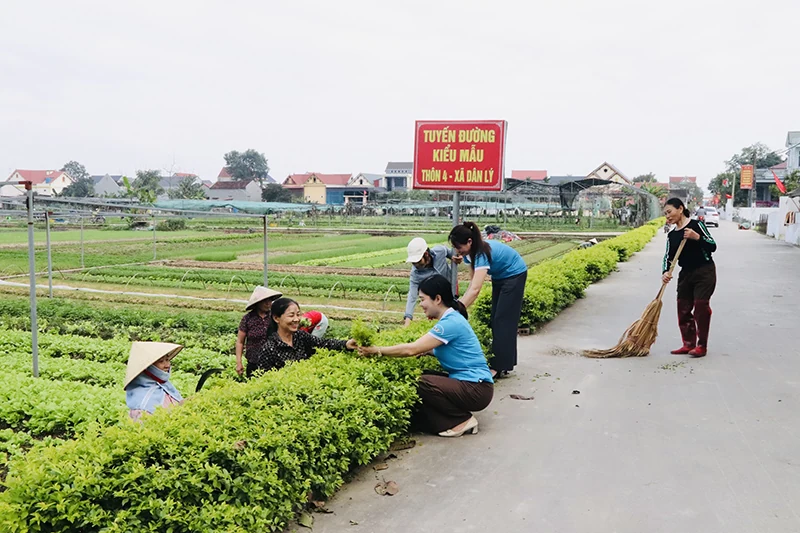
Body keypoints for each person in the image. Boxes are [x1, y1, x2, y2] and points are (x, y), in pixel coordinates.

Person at [358, 275, 493, 437]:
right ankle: (445, 420)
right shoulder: (452, 318)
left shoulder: (449, 323)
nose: (421, 304)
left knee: (422, 383)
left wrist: (375, 350)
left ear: (437, 299)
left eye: (422, 299)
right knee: (423, 376)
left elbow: (411, 349)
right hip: (473, 386)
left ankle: (461, 420)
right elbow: (438, 349)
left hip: (476, 389)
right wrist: (427, 351)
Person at [448, 221, 527, 378]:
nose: (458, 251)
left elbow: (476, 289)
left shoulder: (481, 253)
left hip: (514, 275)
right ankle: (506, 362)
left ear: (469, 242)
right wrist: (458, 304)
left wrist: (457, 308)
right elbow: (472, 283)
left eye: (459, 247)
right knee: (496, 318)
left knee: (503, 320)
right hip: (500, 277)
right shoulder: (469, 255)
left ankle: (499, 366)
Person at [662, 197, 717, 357]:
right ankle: (688, 343)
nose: (668, 217)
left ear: (680, 209)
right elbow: (668, 257)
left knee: (701, 306)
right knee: (683, 308)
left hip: (704, 271)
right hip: (685, 273)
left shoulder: (696, 226)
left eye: (669, 212)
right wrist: (665, 272)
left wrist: (697, 237)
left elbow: (712, 245)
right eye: (665, 214)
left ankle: (702, 346)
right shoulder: (672, 236)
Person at [254, 298, 358, 373]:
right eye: (291, 315)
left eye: (298, 314)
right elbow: (264, 380)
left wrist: (347, 344)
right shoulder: (269, 348)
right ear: (276, 318)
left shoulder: (301, 336)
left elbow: (324, 343)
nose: (296, 319)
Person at [404, 237, 461, 327]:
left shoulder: (440, 251)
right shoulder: (415, 273)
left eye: (418, 261)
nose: (416, 265)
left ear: (426, 254)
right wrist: (408, 319)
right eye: (413, 262)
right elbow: (412, 295)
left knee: (456, 316)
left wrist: (457, 257)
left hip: (451, 288)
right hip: (435, 299)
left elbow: (451, 253)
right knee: (439, 324)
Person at [124, 341, 184, 421]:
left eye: (167, 359)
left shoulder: (165, 386)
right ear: (149, 366)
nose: (167, 365)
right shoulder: (142, 400)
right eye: (161, 361)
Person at [236, 286, 283, 377]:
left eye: (270, 300)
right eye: (265, 301)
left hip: (274, 361)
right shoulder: (248, 319)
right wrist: (239, 362)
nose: (268, 303)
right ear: (258, 303)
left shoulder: (275, 317)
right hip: (254, 362)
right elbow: (240, 342)